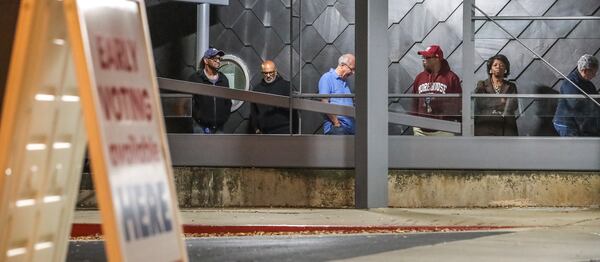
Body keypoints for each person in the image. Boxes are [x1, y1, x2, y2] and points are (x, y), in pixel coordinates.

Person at [412, 45, 462, 136]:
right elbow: (414, 102)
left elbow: (458, 104)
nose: (423, 59)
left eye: (427, 57)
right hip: (421, 131)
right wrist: (415, 125)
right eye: (423, 57)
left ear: (437, 59)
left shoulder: (451, 78)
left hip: (443, 130)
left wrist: (439, 104)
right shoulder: (419, 78)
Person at [553, 54, 600, 137]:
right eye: (593, 72)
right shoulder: (570, 82)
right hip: (566, 123)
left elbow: (596, 100)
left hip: (579, 122)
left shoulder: (588, 84)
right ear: (585, 71)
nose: (594, 75)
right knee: (573, 147)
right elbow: (574, 103)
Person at [188, 48, 232, 134]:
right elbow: (189, 102)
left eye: (219, 58)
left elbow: (228, 102)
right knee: (200, 147)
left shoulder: (224, 79)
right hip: (200, 127)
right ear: (206, 60)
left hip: (219, 128)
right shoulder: (195, 78)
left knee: (219, 148)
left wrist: (223, 118)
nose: (218, 61)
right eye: (214, 58)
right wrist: (198, 117)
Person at [474, 54, 519, 136]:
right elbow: (481, 102)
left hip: (506, 127)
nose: (498, 67)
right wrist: (501, 101)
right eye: (495, 65)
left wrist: (492, 102)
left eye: (502, 65)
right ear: (490, 69)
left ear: (505, 69)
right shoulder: (482, 84)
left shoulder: (511, 86)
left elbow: (513, 104)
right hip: (486, 125)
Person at [250, 60, 297, 134]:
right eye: (265, 73)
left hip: (284, 130)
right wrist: (256, 129)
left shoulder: (286, 86)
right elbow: (254, 112)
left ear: (275, 71)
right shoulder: (257, 89)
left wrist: (294, 131)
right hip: (265, 132)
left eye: (270, 72)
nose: (268, 75)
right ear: (262, 73)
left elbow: (294, 111)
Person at [318, 54, 356, 135]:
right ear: (342, 65)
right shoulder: (327, 77)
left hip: (350, 127)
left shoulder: (345, 81)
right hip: (338, 128)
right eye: (352, 69)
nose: (353, 73)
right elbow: (324, 102)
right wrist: (336, 123)